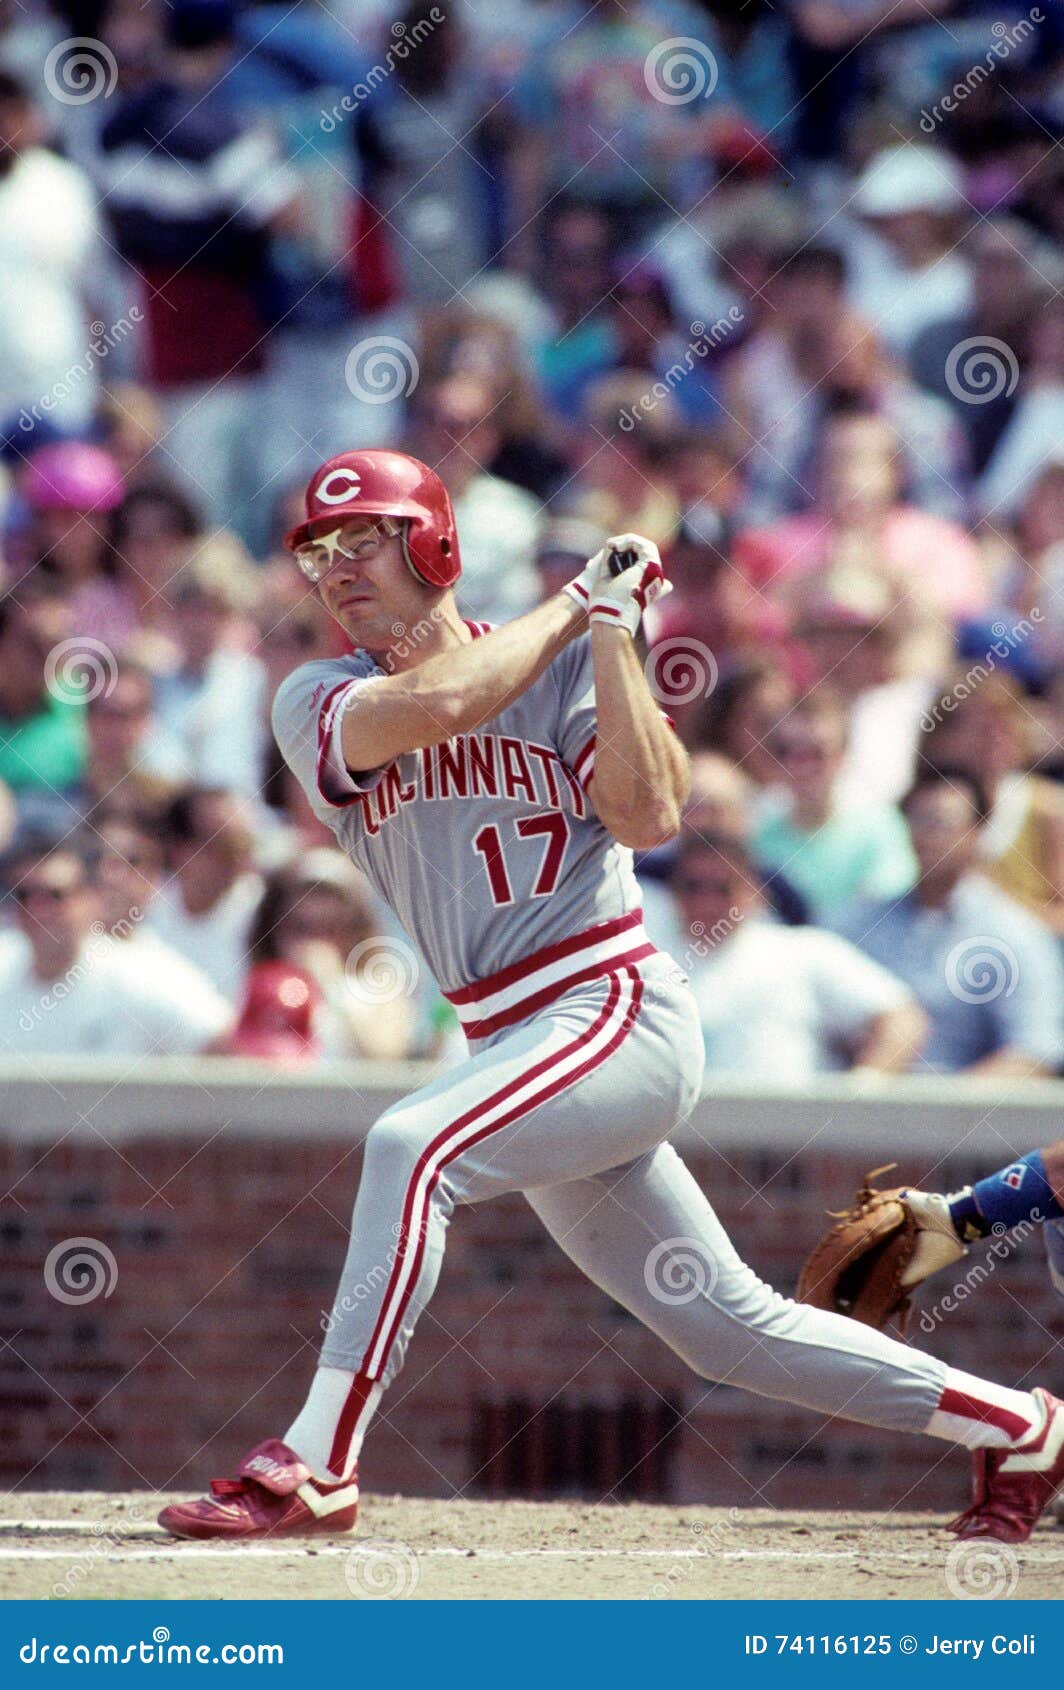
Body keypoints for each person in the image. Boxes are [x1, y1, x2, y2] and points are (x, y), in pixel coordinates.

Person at [160, 446, 1064, 1547]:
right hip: (519, 1043)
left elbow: (649, 815)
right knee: (725, 1328)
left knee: (412, 1144)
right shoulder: (317, 695)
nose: (338, 567)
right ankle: (1016, 1424)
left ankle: (315, 1461)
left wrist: (609, 638)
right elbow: (444, 697)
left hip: (611, 1006)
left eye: (367, 539)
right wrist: (573, 602)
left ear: (433, 545)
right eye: (319, 550)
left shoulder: (562, 662)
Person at [834, 767, 1064, 1077]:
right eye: (918, 820)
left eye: (942, 822)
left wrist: (944, 1112)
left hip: (966, 1117)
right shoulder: (862, 922)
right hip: (861, 1110)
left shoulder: (1017, 934)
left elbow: (1035, 1053)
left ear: (979, 830)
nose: (928, 835)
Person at [674, 831, 925, 1080]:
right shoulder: (652, 962)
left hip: (788, 1118)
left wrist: (861, 1090)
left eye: (722, 888)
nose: (705, 902)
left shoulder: (803, 951)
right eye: (693, 887)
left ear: (753, 890)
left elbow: (903, 1020)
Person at [0, 839, 232, 1056]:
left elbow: (224, 1043)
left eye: (55, 895)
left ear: (92, 899)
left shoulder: (141, 975)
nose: (38, 910)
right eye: (24, 896)